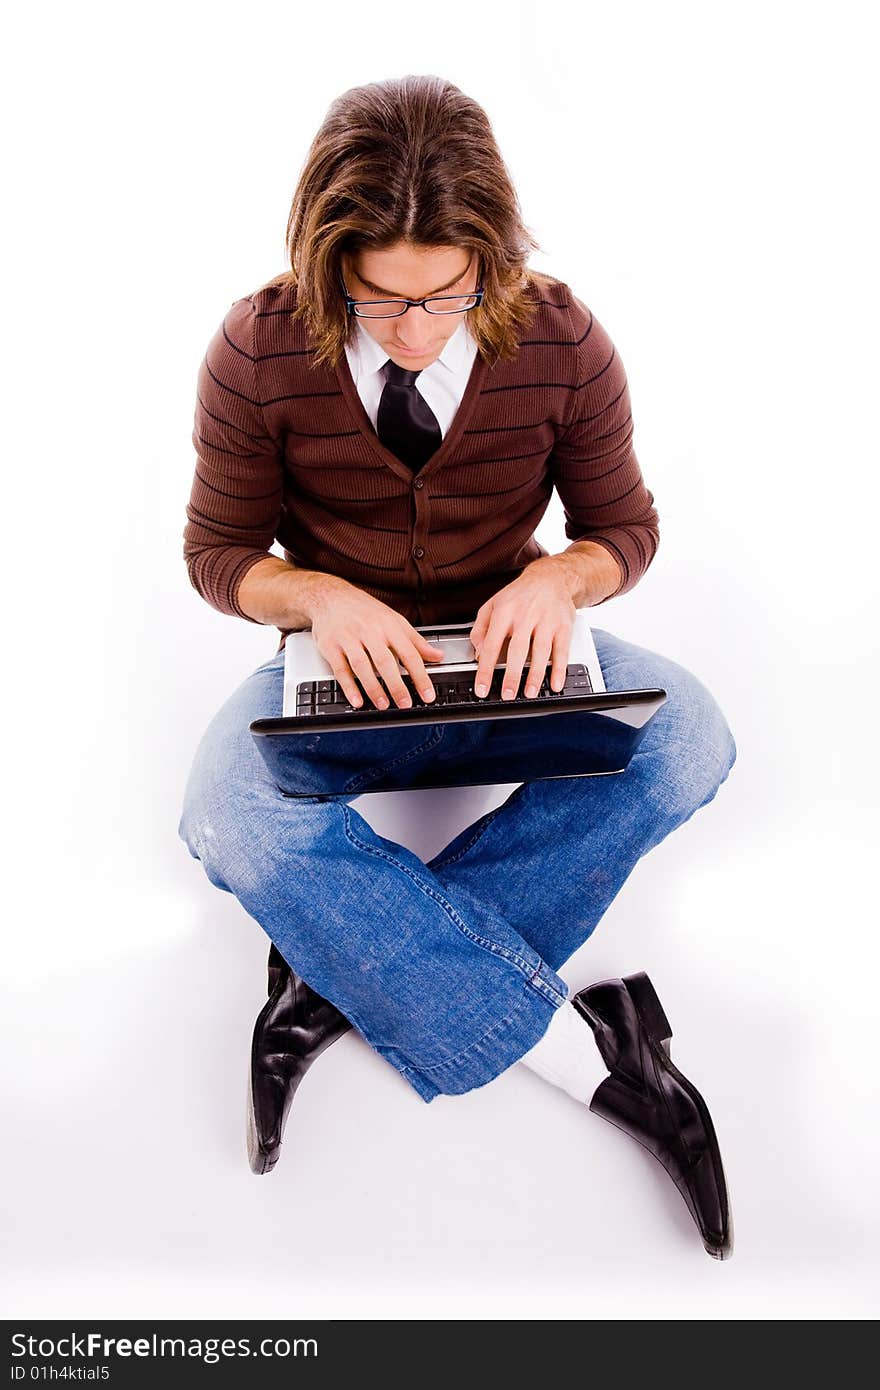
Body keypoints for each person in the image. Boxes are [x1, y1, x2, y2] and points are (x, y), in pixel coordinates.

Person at [178, 74, 738, 1258]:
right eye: (378, 301)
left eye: (446, 295)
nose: (416, 330)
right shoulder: (259, 344)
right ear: (327, 266)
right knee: (229, 820)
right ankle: (599, 1053)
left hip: (510, 660)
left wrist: (558, 581)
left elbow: (623, 530)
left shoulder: (562, 336)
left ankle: (327, 980)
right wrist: (318, 598)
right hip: (341, 673)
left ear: (491, 256)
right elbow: (216, 553)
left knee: (689, 735)